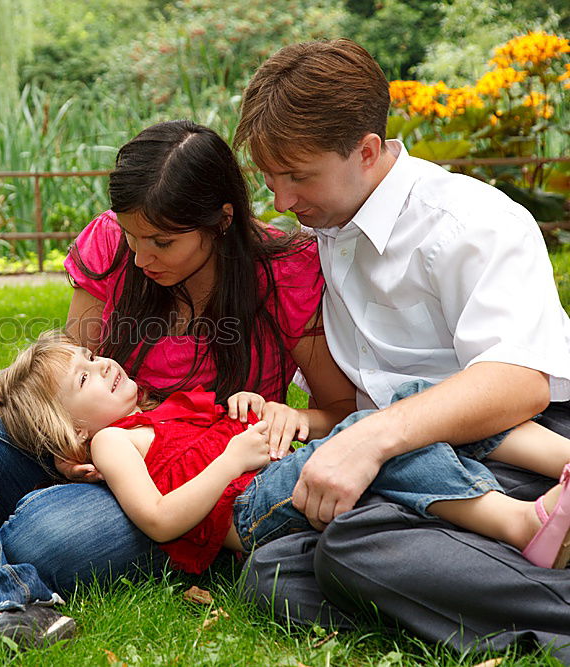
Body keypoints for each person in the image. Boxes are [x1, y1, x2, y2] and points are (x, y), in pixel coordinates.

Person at [0, 120, 356, 655]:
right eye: (133, 236)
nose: (141, 257)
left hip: (179, 489)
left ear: (222, 220)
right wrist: (62, 447)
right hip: (90, 451)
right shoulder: (111, 246)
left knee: (39, 539)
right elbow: (62, 381)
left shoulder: (283, 272)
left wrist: (288, 415)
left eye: (163, 242)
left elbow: (339, 409)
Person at [233, 38, 570, 661]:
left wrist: (372, 438)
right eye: (270, 179)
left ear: (365, 151)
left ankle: (515, 564)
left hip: (522, 440)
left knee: (351, 543)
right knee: (273, 570)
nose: (281, 202)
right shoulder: (326, 228)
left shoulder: (470, 221)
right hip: (414, 456)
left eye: (298, 177)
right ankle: (511, 574)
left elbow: (521, 381)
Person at [0, 332, 570, 577]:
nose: (104, 365)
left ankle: (560, 460)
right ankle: (520, 523)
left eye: (92, 357)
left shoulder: (161, 413)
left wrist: (254, 409)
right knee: (377, 431)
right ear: (71, 434)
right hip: (249, 514)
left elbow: (232, 437)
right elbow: (161, 520)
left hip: (277, 474)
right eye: (85, 379)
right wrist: (234, 457)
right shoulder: (112, 442)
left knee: (421, 405)